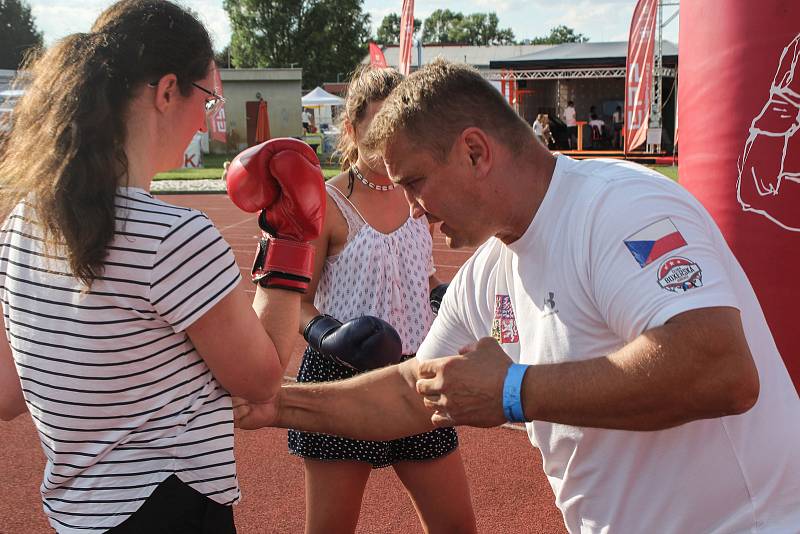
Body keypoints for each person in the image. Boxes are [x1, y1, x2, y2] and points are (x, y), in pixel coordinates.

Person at [234, 59, 800, 533]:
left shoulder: (622, 209)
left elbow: (721, 369)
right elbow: (415, 394)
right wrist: (277, 405)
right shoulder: (489, 269)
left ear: (476, 152)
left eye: (415, 182)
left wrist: (513, 390)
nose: (412, 210)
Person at [0, 1, 325, 532]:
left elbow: (7, 393)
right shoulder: (174, 238)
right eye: (207, 98)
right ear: (167, 90)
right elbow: (260, 379)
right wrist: (290, 242)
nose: (205, 118)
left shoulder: (20, 224)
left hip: (77, 516)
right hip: (170, 509)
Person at [288, 65, 476, 534]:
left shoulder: (420, 194)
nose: (392, 136)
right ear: (351, 128)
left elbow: (423, 272)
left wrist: (443, 296)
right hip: (341, 381)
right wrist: (329, 335)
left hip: (416, 373)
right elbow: (293, 300)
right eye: (378, 123)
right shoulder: (327, 203)